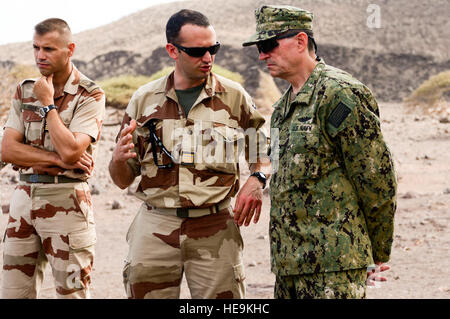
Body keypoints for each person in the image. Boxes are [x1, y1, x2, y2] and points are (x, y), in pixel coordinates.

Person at [109, 9, 269, 299]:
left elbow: (264, 149)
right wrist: (118, 160)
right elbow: (121, 179)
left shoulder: (235, 97)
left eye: (213, 49)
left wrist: (257, 178)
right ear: (172, 50)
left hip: (215, 227)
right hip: (155, 226)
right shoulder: (143, 100)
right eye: (197, 51)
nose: (208, 58)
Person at [242, 5, 397, 299]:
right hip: (290, 267)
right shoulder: (283, 108)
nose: (262, 55)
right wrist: (256, 178)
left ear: (301, 41)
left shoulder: (340, 94)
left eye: (268, 45)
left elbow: (376, 180)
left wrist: (376, 253)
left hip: (333, 269)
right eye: (259, 48)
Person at [1, 18, 105, 299]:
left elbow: (73, 150)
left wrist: (47, 103)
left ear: (69, 49)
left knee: (71, 293)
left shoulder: (90, 93)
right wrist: (59, 160)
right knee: (13, 294)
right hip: (23, 199)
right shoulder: (25, 90)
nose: (39, 56)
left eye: (48, 49)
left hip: (68, 204)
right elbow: (8, 150)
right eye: (35, 48)